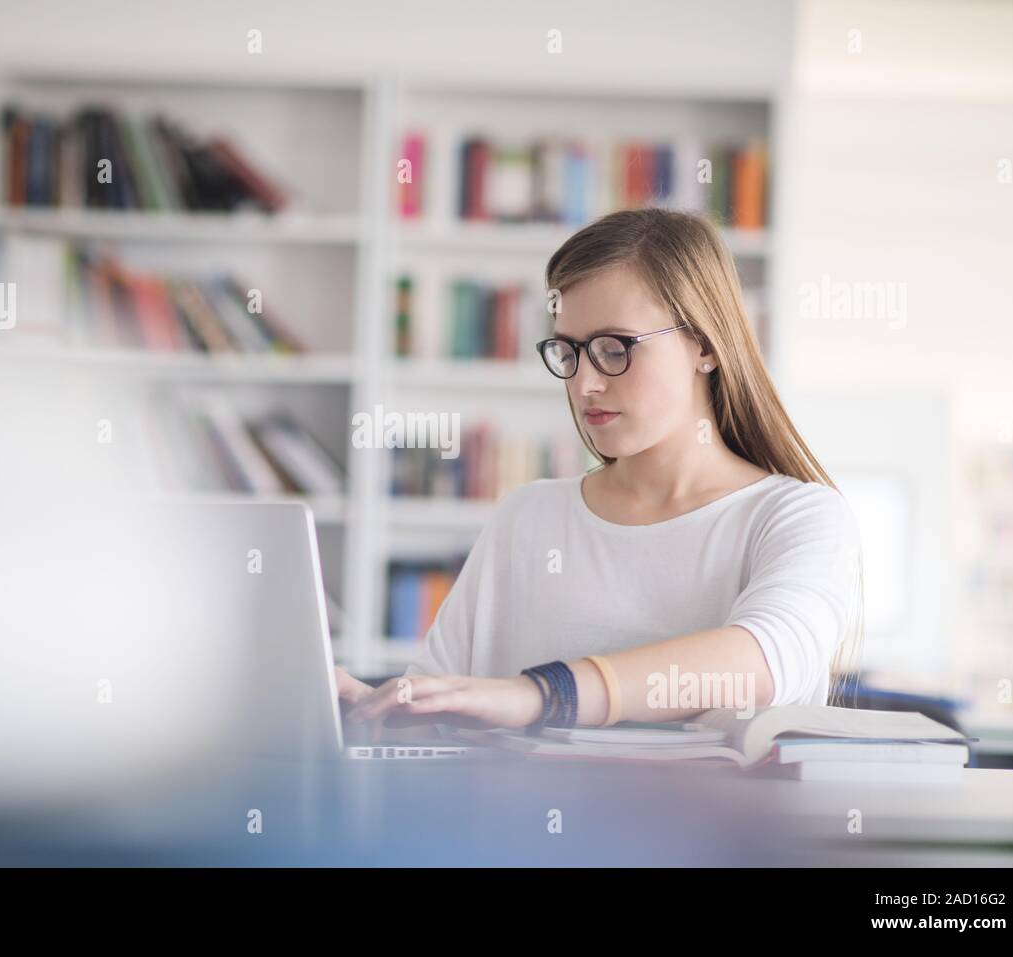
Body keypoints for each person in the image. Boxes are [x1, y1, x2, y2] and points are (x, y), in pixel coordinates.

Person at [338, 207, 864, 736]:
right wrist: (375, 714)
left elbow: (761, 664)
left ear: (705, 344)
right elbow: (444, 712)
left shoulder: (797, 516)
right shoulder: (528, 516)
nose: (586, 383)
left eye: (614, 348)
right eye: (568, 350)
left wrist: (542, 695)